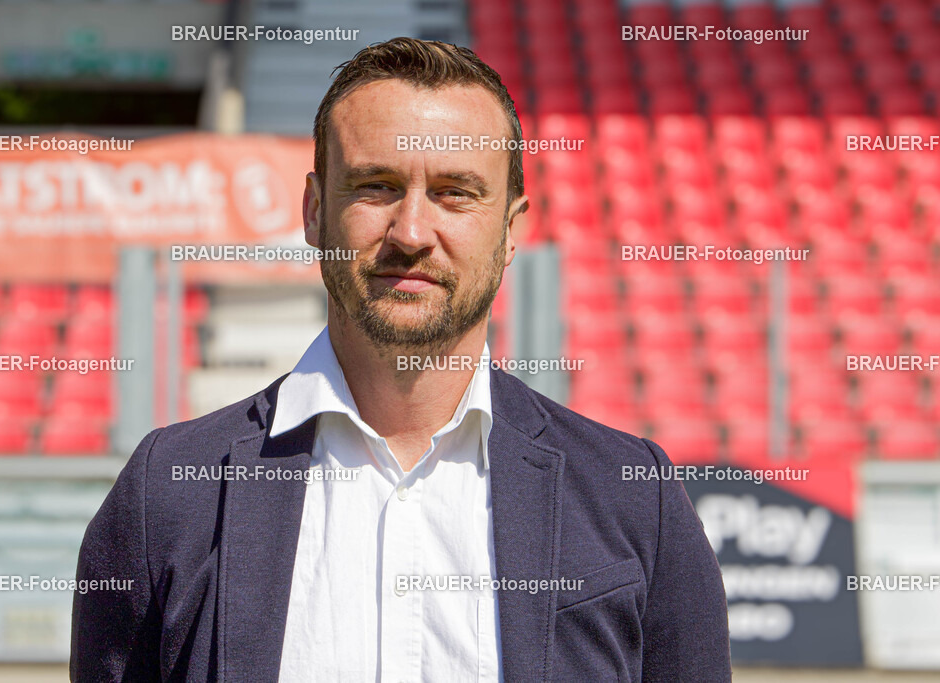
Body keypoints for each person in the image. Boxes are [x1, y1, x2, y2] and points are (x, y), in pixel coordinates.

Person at [72, 37, 730, 682]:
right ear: (314, 212)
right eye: (376, 186)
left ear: (511, 231)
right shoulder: (167, 493)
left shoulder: (634, 498)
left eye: (455, 192)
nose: (411, 233)